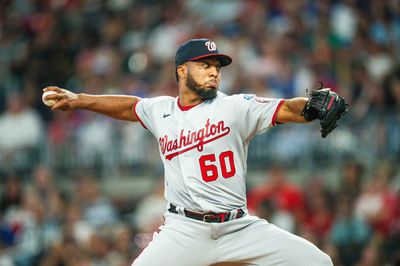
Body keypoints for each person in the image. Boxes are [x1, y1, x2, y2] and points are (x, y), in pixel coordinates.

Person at [43, 38, 336, 265]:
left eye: (217, 67)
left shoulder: (234, 106)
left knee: (318, 262)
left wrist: (312, 107)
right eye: (205, 65)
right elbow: (129, 106)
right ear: (182, 70)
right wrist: (80, 99)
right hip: (184, 229)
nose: (214, 73)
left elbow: (286, 108)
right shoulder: (161, 110)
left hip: (238, 227)